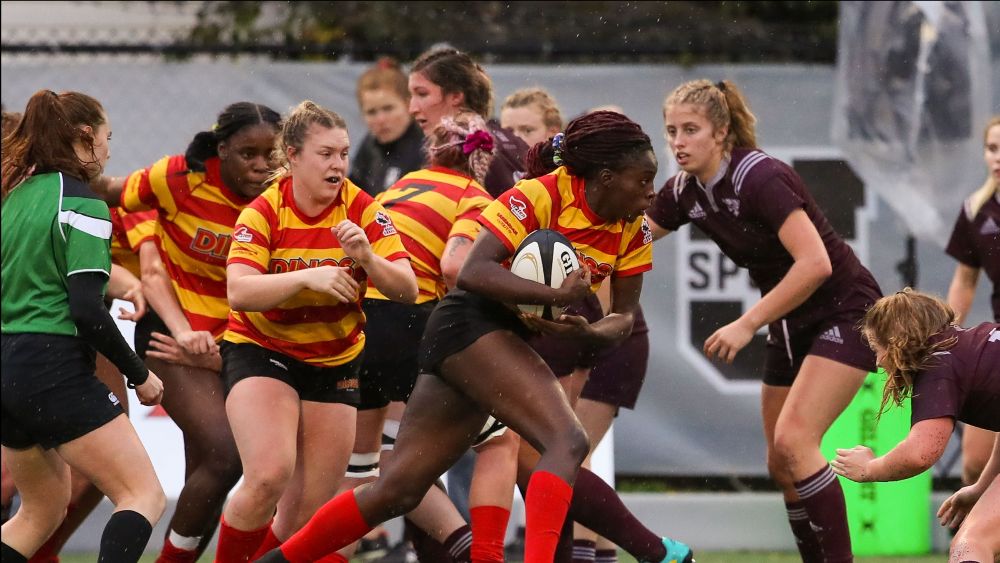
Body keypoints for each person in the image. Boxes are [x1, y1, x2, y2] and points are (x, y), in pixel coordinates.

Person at [258, 110, 691, 563]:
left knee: (398, 489)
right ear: (605, 177)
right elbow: (471, 270)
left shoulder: (631, 227)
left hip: (495, 339)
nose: (651, 192)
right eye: (643, 179)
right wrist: (552, 294)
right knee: (566, 441)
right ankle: (654, 553)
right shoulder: (538, 194)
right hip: (468, 324)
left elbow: (622, 315)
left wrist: (593, 333)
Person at [646, 79, 884, 562]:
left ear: (722, 132)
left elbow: (816, 264)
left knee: (797, 440)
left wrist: (746, 322)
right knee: (781, 462)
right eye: (671, 130)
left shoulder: (759, 176)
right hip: (791, 319)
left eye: (691, 129)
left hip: (844, 306)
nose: (678, 142)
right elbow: (627, 243)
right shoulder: (683, 190)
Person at [104, 101, 283, 562]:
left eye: (273, 154)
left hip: (237, 343)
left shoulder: (285, 198)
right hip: (169, 333)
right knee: (226, 456)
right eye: (249, 153)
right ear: (222, 149)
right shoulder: (178, 178)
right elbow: (107, 190)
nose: (262, 165)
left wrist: (222, 354)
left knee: (209, 474)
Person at [1, 89, 165, 562]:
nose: (110, 150)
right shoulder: (86, 206)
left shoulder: (14, 200)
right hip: (54, 367)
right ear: (86, 136)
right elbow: (86, 310)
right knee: (142, 494)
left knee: (40, 511)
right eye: (109, 137)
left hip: (7, 366)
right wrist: (139, 374)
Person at [831, 289, 999, 563]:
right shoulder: (969, 345)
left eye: (877, 348)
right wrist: (981, 487)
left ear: (898, 341)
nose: (878, 362)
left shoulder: (938, 363)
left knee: (972, 544)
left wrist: (870, 468)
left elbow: (921, 452)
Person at [945, 115, 1000, 492]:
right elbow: (966, 280)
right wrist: (945, 336)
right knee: (977, 465)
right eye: (993, 148)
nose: (998, 157)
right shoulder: (974, 210)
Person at [408, 47, 529, 199]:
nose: (412, 108)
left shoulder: (458, 151)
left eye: (422, 94)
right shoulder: (513, 141)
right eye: (411, 96)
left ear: (456, 96)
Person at [350, 57, 427, 197]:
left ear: (408, 104)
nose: (380, 119)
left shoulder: (429, 148)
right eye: (371, 112)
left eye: (388, 108)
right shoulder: (369, 146)